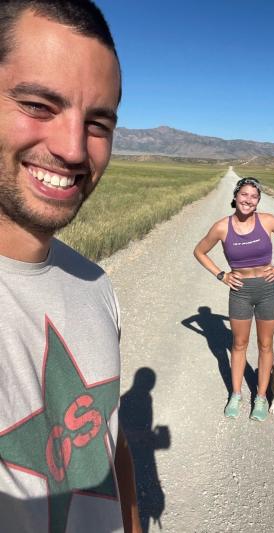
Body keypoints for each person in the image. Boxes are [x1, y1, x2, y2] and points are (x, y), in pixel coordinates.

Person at [0, 1, 141, 531]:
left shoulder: (94, 283)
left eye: (98, 122)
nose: (74, 148)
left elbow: (109, 434)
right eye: (38, 104)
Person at [194, 176, 274, 421]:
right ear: (235, 196)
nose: (248, 200)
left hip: (267, 290)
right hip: (239, 291)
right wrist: (221, 275)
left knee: (265, 345)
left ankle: (261, 397)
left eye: (254, 196)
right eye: (244, 194)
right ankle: (235, 394)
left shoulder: (267, 221)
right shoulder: (222, 227)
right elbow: (199, 251)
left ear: (258, 201)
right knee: (238, 345)